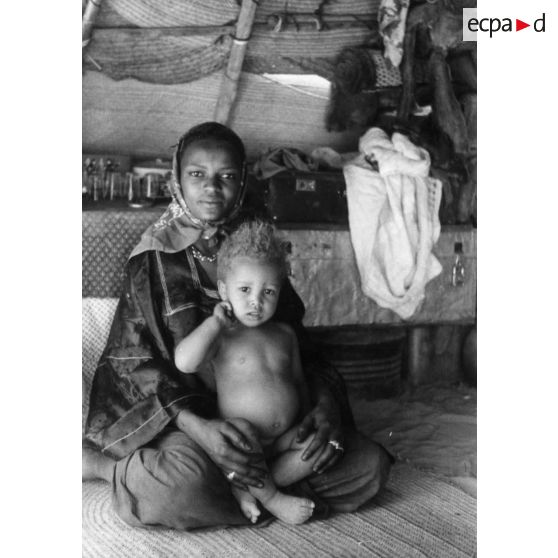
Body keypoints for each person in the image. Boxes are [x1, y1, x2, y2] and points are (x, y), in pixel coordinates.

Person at [83, 121, 393, 531]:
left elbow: (299, 352)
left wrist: (325, 406)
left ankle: (251, 492)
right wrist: (201, 429)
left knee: (367, 466)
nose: (211, 188)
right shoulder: (152, 260)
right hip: (191, 426)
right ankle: (112, 470)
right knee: (179, 487)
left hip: (271, 431)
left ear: (243, 180)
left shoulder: (258, 251)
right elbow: (134, 363)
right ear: (177, 177)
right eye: (197, 175)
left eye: (226, 176)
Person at [175, 219, 320, 525]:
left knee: (320, 444)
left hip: (283, 439)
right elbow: (185, 362)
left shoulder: (285, 334)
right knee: (242, 429)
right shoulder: (222, 336)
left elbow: (297, 381)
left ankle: (248, 487)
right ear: (223, 289)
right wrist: (214, 323)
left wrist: (308, 416)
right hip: (243, 441)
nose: (256, 301)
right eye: (244, 290)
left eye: (268, 291)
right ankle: (274, 498)